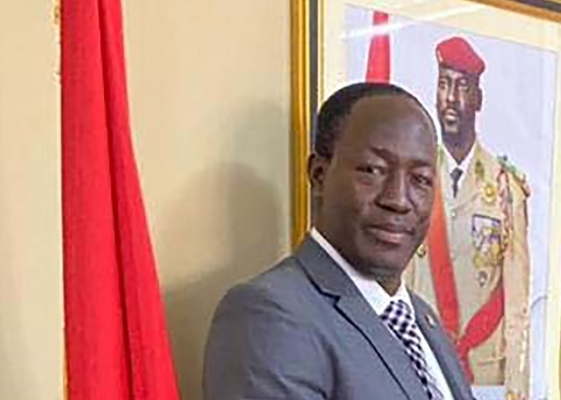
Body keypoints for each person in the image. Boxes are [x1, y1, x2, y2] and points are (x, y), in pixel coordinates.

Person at [204, 82, 474, 400]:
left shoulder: (421, 318)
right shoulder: (269, 314)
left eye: (420, 180)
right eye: (373, 170)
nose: (398, 199)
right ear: (319, 175)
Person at [405, 37, 531, 400]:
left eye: (462, 86)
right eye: (444, 84)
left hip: (486, 372)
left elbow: (518, 302)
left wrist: (517, 387)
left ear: (478, 99)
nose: (451, 98)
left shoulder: (506, 188)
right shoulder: (413, 181)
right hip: (421, 362)